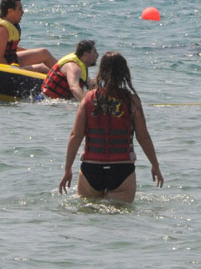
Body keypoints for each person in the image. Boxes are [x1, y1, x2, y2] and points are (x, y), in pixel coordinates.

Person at [58, 52, 163, 203]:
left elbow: (75, 135)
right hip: (122, 171)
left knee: (89, 220)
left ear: (101, 72)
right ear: (124, 73)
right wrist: (155, 165)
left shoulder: (88, 99)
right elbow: (143, 136)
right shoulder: (131, 101)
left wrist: (67, 169)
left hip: (91, 170)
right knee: (120, 223)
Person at [0, 0, 56, 73]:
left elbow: (8, 48)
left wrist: (30, 52)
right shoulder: (1, 31)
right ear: (10, 11)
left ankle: (63, 74)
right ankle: (61, 79)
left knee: (43, 53)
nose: (22, 12)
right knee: (41, 68)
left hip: (11, 60)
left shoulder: (7, 25)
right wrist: (15, 74)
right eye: (19, 9)